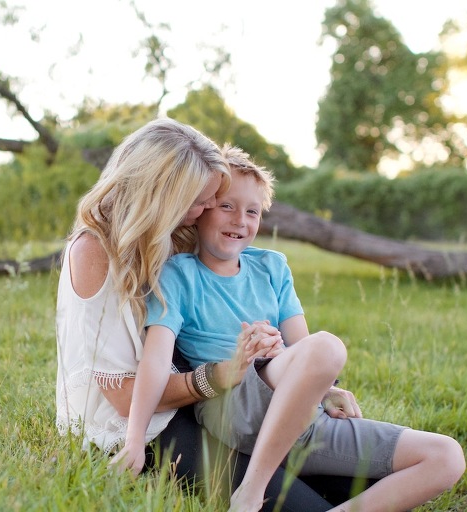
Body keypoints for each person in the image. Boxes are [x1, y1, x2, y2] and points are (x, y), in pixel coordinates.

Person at [111, 144, 467, 511]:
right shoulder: (178, 275)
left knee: (446, 456)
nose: (240, 220)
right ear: (200, 212)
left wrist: (323, 387)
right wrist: (135, 440)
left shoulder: (272, 267)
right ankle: (251, 492)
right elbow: (156, 360)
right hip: (233, 406)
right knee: (328, 346)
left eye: (252, 211)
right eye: (227, 206)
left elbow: (301, 345)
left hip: (302, 418)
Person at [55, 117, 373, 510]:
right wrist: (218, 377)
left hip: (205, 403)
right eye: (201, 200)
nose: (208, 209)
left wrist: (314, 382)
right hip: (143, 424)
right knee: (300, 505)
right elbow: (123, 399)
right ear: (163, 195)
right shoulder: (95, 252)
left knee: (361, 482)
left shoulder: (172, 232)